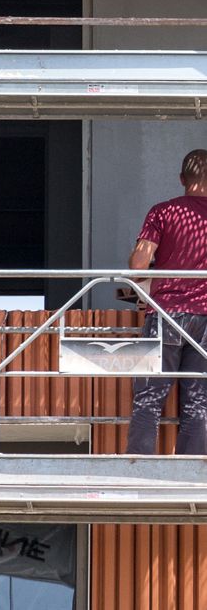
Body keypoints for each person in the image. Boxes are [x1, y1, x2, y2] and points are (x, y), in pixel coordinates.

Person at [125, 149, 207, 455]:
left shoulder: (164, 212)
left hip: (166, 314)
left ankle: (139, 472)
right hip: (206, 318)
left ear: (182, 179)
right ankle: (191, 478)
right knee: (198, 403)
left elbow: (138, 265)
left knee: (148, 399)